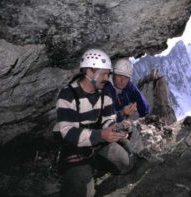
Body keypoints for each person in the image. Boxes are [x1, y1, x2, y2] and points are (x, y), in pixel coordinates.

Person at [53, 49, 133, 197]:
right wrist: (102, 135)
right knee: (84, 192)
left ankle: (93, 167)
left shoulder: (105, 95)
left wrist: (115, 129)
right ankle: (76, 172)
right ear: (90, 73)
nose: (107, 78)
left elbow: (108, 120)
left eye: (108, 74)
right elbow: (68, 133)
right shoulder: (68, 95)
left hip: (97, 144)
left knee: (125, 163)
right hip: (74, 149)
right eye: (104, 74)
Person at [105, 58, 149, 122]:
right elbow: (104, 119)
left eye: (126, 78)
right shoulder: (105, 88)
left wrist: (146, 117)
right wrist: (122, 113)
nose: (122, 81)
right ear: (113, 74)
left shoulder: (129, 86)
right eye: (119, 76)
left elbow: (141, 101)